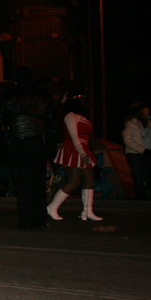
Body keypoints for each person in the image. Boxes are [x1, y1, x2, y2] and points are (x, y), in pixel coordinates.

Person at [0, 67, 55, 229]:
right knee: (38, 181)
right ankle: (40, 218)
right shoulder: (43, 94)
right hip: (38, 140)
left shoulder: (9, 94)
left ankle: (25, 218)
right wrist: (51, 149)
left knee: (22, 182)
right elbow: (52, 123)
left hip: (18, 140)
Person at [46, 91, 102, 221]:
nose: (82, 102)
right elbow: (74, 137)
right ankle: (53, 207)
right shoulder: (70, 116)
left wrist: (86, 152)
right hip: (74, 149)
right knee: (74, 180)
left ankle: (87, 210)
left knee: (89, 177)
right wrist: (82, 153)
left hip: (83, 148)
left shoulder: (80, 116)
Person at [123, 102, 151, 200]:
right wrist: (143, 150)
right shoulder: (131, 123)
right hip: (135, 155)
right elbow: (128, 140)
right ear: (141, 110)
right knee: (138, 177)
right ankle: (141, 199)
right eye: (146, 108)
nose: (149, 109)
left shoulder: (150, 123)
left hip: (150, 154)